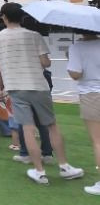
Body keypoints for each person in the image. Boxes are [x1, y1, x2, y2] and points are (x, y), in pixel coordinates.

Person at [0, 3, 83, 185]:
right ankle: (64, 166)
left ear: (4, 17)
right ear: (23, 17)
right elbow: (46, 63)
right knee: (51, 126)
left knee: (28, 128)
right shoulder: (34, 35)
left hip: (16, 88)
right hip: (39, 85)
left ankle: (39, 172)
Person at [66, 29, 100, 195]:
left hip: (91, 93)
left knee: (98, 141)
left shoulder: (77, 47)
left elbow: (75, 74)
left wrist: (70, 58)